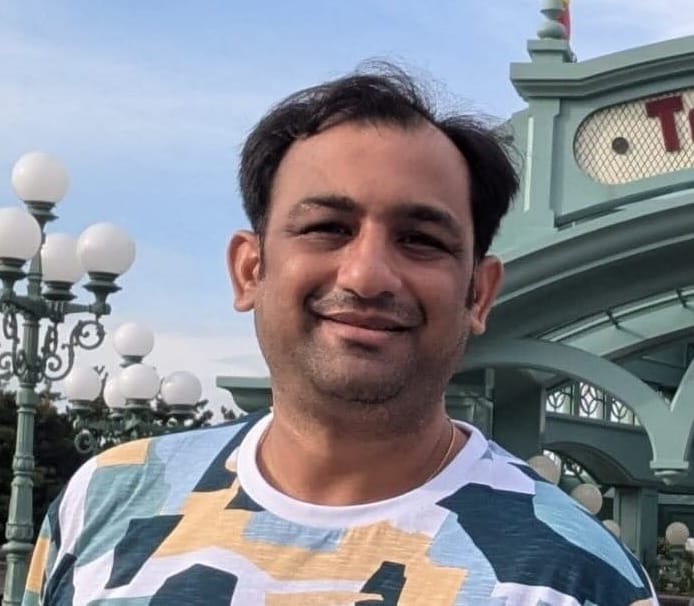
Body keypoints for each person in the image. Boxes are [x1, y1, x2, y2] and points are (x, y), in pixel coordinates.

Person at [23, 65, 657, 605]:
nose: (367, 274)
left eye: (421, 240)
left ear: (479, 294)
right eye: (327, 227)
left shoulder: (575, 578)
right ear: (250, 270)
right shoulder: (105, 503)